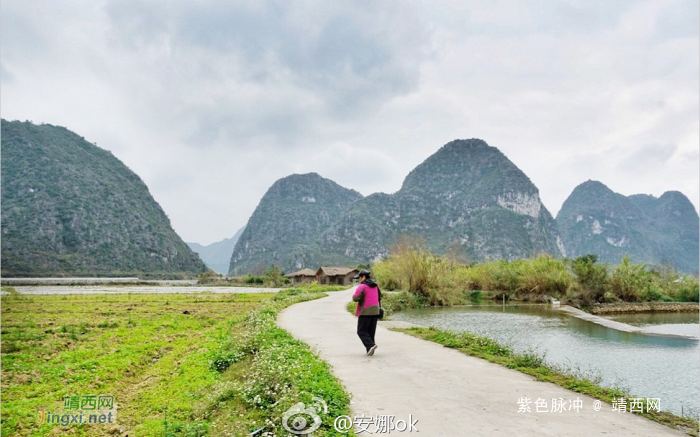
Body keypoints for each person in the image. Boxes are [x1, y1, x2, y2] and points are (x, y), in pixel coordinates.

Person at [352, 269, 382, 356]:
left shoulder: (362, 286)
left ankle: (371, 345)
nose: (359, 279)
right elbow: (380, 296)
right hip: (375, 311)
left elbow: (355, 298)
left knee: (361, 331)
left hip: (365, 311)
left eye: (360, 278)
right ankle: (369, 349)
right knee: (370, 332)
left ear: (363, 277)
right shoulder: (376, 286)